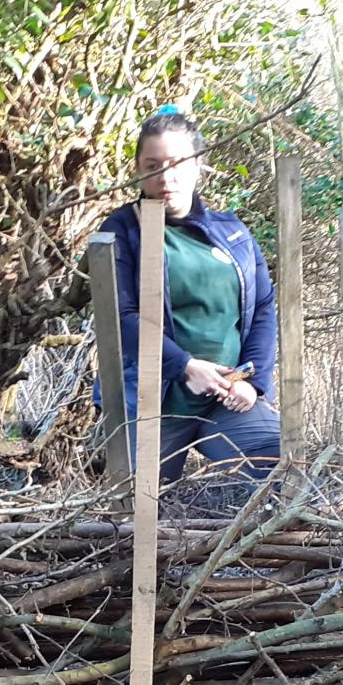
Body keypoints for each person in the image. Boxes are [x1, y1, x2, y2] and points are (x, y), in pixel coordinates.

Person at [96, 109, 280, 490]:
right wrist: (185, 365)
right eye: (153, 165)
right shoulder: (121, 230)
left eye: (178, 164)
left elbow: (263, 306)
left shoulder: (231, 232)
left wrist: (254, 383)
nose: (166, 177)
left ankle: (241, 550)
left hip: (226, 399)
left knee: (284, 471)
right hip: (147, 405)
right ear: (137, 168)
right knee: (135, 515)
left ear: (199, 165)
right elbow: (119, 316)